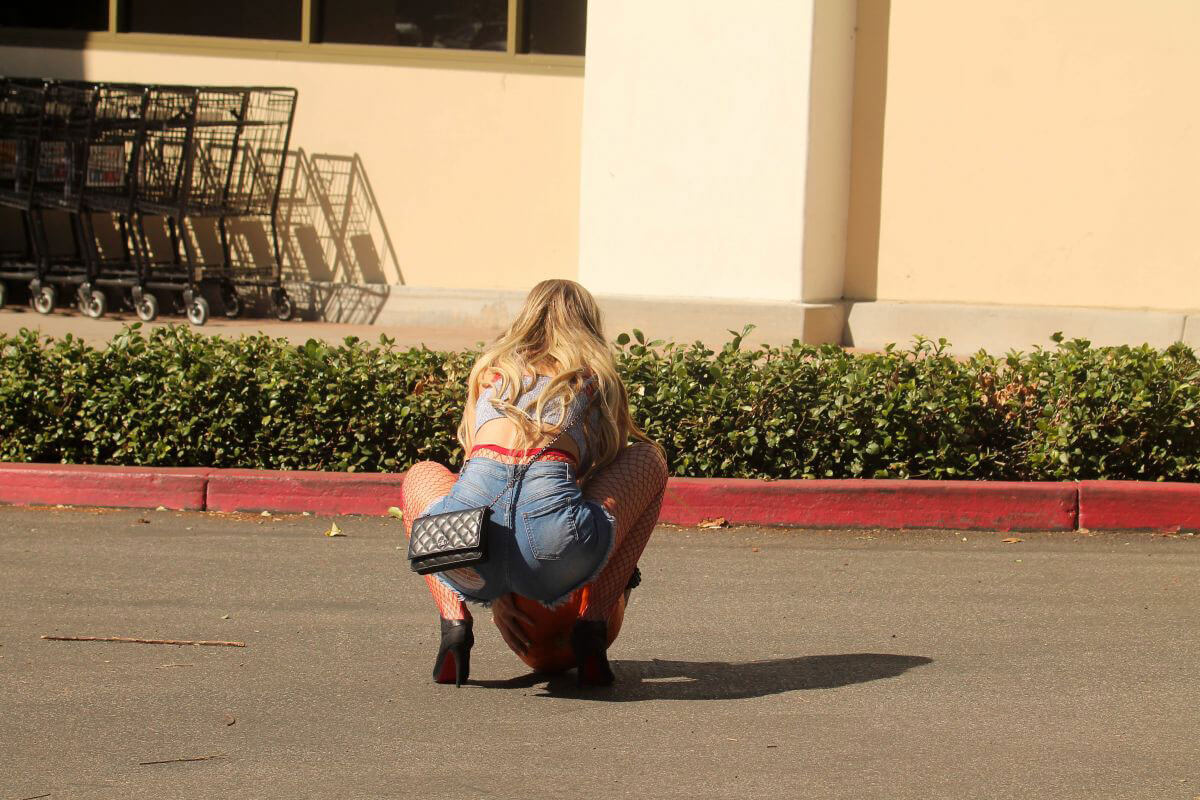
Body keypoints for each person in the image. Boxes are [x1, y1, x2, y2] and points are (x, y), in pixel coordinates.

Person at [400, 279, 668, 687]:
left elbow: (476, 475)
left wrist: (499, 589)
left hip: (465, 547)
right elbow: (600, 474)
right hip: (553, 547)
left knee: (420, 475)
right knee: (650, 459)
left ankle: (453, 622)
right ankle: (591, 627)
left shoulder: (491, 373)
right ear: (588, 324)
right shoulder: (590, 377)